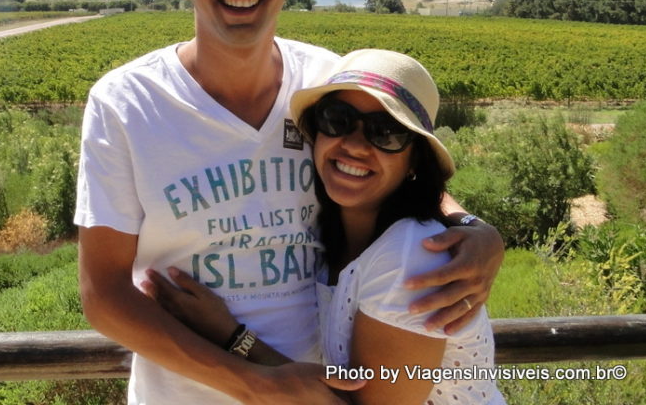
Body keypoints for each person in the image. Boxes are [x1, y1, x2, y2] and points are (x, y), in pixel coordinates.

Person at [74, 0, 504, 404]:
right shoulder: (126, 102)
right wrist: (253, 382)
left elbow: (389, 167)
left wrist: (474, 228)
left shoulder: (327, 85)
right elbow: (104, 295)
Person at [144, 49, 507, 404]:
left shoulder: (412, 258)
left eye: (386, 133)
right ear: (316, 133)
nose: (353, 145)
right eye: (338, 119)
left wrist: (231, 335)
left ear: (415, 161)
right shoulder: (328, 231)